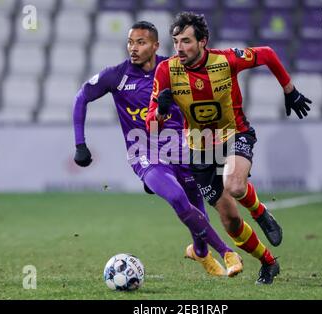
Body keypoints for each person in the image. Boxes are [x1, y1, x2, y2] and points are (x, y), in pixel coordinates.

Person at [146, 12, 312, 284]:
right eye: (176, 41)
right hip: (199, 149)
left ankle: (261, 213)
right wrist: (161, 112)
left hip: (235, 134)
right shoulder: (166, 71)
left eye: (186, 41)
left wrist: (289, 89)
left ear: (203, 42)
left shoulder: (225, 60)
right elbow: (151, 122)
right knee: (230, 221)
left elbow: (268, 54)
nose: (179, 48)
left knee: (235, 185)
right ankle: (268, 262)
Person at [72, 21, 244, 278]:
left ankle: (199, 251)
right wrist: (80, 144)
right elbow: (81, 97)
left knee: (197, 206)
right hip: (145, 153)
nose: (133, 48)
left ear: (155, 45)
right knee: (177, 199)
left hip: (182, 149)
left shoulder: (173, 69)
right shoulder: (117, 76)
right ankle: (227, 252)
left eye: (140, 42)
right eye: (130, 42)